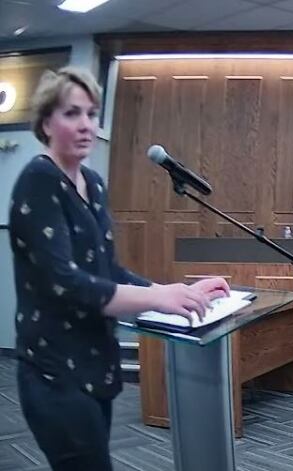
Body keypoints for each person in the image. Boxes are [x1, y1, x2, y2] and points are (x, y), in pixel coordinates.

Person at [9, 66, 230, 471]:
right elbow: (66, 283)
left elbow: (105, 270)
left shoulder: (91, 183)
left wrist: (178, 290)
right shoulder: (38, 179)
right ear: (45, 122)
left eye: (92, 114)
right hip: (54, 372)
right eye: (71, 113)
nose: (85, 125)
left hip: (95, 362)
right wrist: (156, 297)